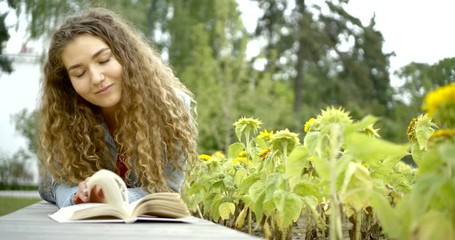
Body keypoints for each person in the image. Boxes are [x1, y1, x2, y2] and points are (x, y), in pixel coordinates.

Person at [38, 8, 198, 208]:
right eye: (79, 73)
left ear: (126, 55)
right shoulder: (65, 115)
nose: (97, 78)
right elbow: (49, 184)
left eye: (104, 60)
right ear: (67, 82)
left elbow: (167, 191)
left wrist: (112, 195)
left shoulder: (172, 108)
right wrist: (77, 196)